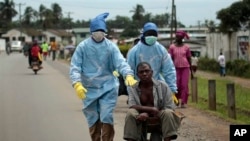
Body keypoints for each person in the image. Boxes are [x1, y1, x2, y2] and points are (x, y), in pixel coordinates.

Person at [69, 12, 137, 141]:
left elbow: (121, 62)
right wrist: (77, 83)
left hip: (108, 87)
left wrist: (128, 74)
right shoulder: (83, 47)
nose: (99, 33)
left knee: (106, 116)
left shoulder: (110, 46)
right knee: (92, 118)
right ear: (91, 32)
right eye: (96, 31)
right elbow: (75, 67)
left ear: (105, 32)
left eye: (101, 31)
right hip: (89, 89)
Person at [123, 62, 181, 141]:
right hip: (140, 114)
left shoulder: (162, 86)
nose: (144, 74)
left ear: (152, 72)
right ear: (137, 74)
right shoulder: (133, 88)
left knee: (168, 112)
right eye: (141, 72)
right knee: (130, 112)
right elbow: (132, 105)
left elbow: (169, 106)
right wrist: (150, 110)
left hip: (159, 113)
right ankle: (131, 139)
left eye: (147, 71)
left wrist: (155, 112)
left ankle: (168, 139)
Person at [126, 22, 178, 104]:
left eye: (154, 34)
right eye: (149, 34)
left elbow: (169, 70)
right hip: (138, 87)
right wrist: (131, 91)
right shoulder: (134, 51)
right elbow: (129, 70)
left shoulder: (161, 50)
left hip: (157, 87)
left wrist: (172, 90)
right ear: (143, 34)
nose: (152, 36)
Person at [169, 30, 193, 108]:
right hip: (175, 68)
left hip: (185, 68)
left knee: (184, 85)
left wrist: (191, 72)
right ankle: (176, 101)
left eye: (178, 37)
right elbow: (170, 59)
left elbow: (189, 58)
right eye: (176, 36)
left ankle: (183, 102)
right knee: (176, 85)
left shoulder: (186, 47)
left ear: (182, 38)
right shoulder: (172, 47)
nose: (177, 38)